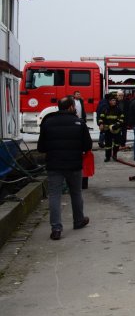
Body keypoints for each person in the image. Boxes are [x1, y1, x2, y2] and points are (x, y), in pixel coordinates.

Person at [37, 96, 92, 240]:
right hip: (74, 165)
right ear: (71, 107)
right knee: (76, 193)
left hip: (54, 165)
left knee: (55, 195)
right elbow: (88, 146)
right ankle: (78, 220)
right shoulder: (79, 123)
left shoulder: (47, 122)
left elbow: (41, 147)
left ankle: (56, 229)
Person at [98, 96, 126, 162]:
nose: (114, 102)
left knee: (117, 144)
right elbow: (101, 118)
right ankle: (107, 157)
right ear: (109, 101)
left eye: (115, 100)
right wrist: (101, 124)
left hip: (116, 129)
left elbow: (122, 119)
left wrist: (116, 125)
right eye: (112, 100)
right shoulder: (105, 109)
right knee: (108, 144)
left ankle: (114, 155)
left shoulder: (118, 109)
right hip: (107, 129)